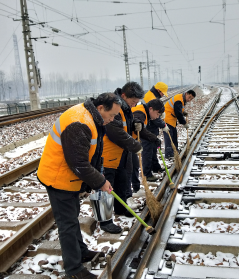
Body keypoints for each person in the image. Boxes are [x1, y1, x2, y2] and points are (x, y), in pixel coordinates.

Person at [37, 93, 121, 279]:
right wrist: (100, 182)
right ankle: (74, 270)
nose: (112, 119)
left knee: (72, 216)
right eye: (112, 115)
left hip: (69, 178)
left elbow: (89, 153)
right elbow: (78, 163)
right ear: (100, 108)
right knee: (67, 223)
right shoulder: (80, 123)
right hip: (58, 178)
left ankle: (80, 251)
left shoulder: (90, 117)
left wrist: (98, 174)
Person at [102, 81, 144, 233]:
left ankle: (120, 208)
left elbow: (127, 125)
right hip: (107, 155)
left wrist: (138, 123)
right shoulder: (113, 107)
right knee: (105, 188)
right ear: (124, 96)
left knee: (121, 182)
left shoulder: (125, 108)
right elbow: (115, 132)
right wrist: (135, 146)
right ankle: (105, 221)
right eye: (133, 102)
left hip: (120, 154)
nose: (134, 105)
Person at [131, 82, 168, 188]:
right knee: (133, 165)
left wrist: (154, 138)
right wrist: (161, 125)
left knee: (135, 164)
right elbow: (140, 127)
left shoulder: (147, 111)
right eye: (157, 114)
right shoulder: (142, 112)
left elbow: (142, 128)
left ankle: (137, 186)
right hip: (128, 142)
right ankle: (139, 184)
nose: (157, 117)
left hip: (133, 139)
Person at [163, 89, 196, 159]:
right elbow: (178, 113)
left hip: (171, 119)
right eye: (189, 97)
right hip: (167, 118)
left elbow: (178, 109)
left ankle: (175, 151)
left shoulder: (182, 99)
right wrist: (184, 123)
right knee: (169, 137)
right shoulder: (179, 99)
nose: (189, 99)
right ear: (186, 94)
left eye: (191, 99)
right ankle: (168, 154)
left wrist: (183, 112)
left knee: (174, 135)